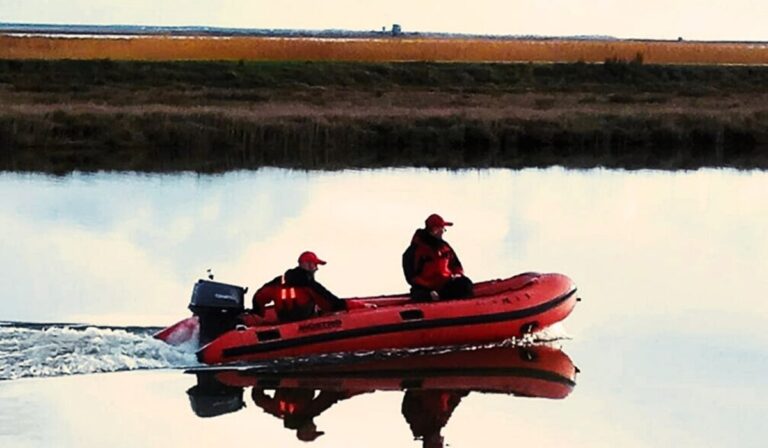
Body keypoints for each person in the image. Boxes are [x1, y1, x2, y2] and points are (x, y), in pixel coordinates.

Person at [252, 251, 371, 322]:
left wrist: (259, 314)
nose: (316, 268)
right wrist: (360, 305)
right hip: (305, 325)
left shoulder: (278, 282)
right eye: (315, 265)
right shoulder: (309, 284)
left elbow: (258, 297)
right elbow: (332, 304)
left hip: (284, 322)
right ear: (307, 265)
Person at [402, 214, 474, 301]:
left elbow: (456, 265)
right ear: (434, 230)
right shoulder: (415, 250)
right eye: (441, 228)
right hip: (425, 288)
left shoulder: (445, 247)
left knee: (465, 284)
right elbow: (411, 276)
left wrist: (457, 275)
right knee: (422, 296)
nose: (443, 231)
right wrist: (429, 286)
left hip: (446, 285)